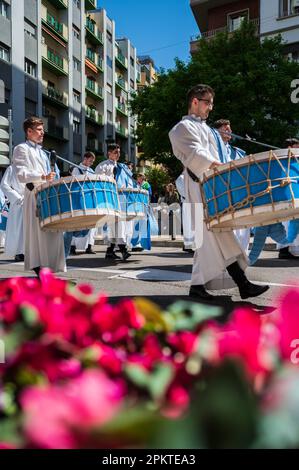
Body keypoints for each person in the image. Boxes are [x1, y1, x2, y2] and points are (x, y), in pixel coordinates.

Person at [168, 84, 269, 301]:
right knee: (217, 236)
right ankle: (243, 285)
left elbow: (220, 156)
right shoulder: (181, 128)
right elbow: (196, 155)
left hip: (216, 189)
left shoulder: (209, 130)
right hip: (202, 190)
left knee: (211, 239)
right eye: (207, 102)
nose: (210, 108)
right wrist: (222, 169)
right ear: (195, 101)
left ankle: (199, 286)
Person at [13, 116, 66, 276]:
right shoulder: (21, 148)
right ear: (29, 131)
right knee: (38, 234)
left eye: (43, 130)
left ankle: (50, 268)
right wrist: (42, 176)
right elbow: (21, 174)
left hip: (48, 194)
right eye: (39, 130)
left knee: (52, 232)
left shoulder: (43, 152)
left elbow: (52, 173)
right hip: (34, 194)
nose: (43, 133)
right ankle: (40, 269)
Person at [95, 143, 131, 261]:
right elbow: (98, 183)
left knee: (116, 224)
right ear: (109, 153)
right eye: (115, 152)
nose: (118, 154)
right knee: (116, 224)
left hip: (120, 198)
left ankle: (110, 251)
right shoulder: (102, 166)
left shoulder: (122, 167)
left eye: (119, 152)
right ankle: (123, 249)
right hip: (109, 198)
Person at [69, 152, 97, 256]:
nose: (91, 163)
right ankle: (72, 247)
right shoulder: (77, 169)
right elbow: (74, 183)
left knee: (91, 222)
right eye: (90, 161)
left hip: (89, 198)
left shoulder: (92, 171)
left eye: (92, 162)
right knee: (77, 222)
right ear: (85, 158)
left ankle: (89, 246)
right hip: (79, 198)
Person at [277, 138, 299, 259]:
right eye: (297, 147)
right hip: (286, 196)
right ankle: (284, 250)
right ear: (290, 147)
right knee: (286, 223)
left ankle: (288, 249)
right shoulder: (281, 161)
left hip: (295, 193)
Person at [0, 164, 25, 261]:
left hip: (32, 199)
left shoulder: (32, 167)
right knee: (18, 229)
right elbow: (4, 184)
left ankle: (31, 252)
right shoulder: (12, 168)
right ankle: (19, 252)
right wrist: (16, 197)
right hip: (19, 202)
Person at [175, 172, 195, 253]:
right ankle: (188, 245)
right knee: (188, 224)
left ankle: (191, 244)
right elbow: (184, 192)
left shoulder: (190, 177)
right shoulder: (181, 178)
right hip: (187, 202)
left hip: (193, 201)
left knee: (193, 224)